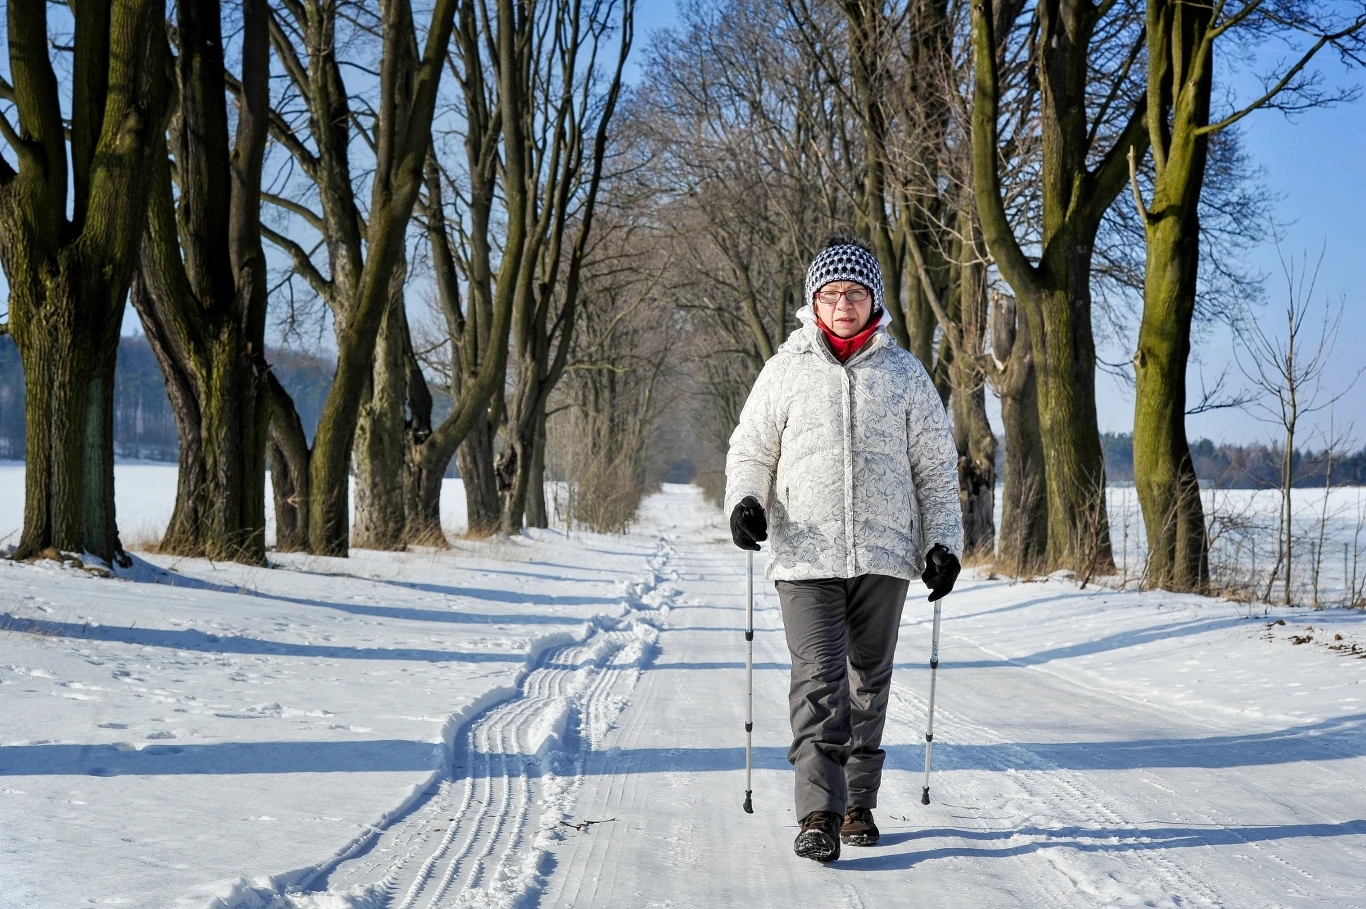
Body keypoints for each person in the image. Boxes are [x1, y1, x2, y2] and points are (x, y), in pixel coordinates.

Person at [725, 232, 964, 863]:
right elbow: (751, 449)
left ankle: (859, 803)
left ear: (872, 300)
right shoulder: (785, 370)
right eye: (831, 294)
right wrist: (746, 501)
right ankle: (819, 814)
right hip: (805, 552)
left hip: (885, 555)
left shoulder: (905, 374)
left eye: (854, 293)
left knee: (868, 684)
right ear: (814, 301)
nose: (842, 305)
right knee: (818, 681)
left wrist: (943, 543)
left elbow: (936, 469)